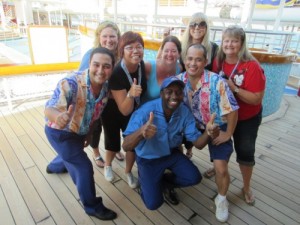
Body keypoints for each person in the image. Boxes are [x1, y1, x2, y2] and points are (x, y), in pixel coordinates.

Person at [122, 77, 220, 210]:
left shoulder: (184, 111)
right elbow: (126, 146)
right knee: (153, 204)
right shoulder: (146, 111)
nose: (174, 96)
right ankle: (146, 186)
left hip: (170, 153)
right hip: (148, 158)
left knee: (194, 177)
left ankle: (163, 184)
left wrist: (208, 133)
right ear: (161, 93)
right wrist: (141, 132)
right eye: (169, 91)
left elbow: (198, 144)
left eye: (179, 92)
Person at [45, 47, 117, 220]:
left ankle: (54, 166)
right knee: (83, 167)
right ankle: (92, 206)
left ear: (112, 68)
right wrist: (59, 117)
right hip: (60, 133)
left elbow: (94, 114)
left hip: (79, 132)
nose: (101, 70)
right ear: (89, 64)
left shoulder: (106, 88)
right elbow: (49, 109)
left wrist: (89, 133)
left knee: (70, 156)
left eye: (106, 66)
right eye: (96, 65)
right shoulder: (70, 83)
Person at [177, 43, 239, 222]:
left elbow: (233, 110)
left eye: (198, 59)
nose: (193, 63)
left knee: (221, 168)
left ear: (205, 61)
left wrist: (227, 135)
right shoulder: (178, 81)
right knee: (168, 143)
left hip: (218, 126)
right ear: (184, 60)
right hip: (192, 126)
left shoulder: (216, 82)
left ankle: (221, 198)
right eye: (190, 58)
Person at [212, 25, 266, 206]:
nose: (229, 44)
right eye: (226, 40)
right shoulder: (218, 61)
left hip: (246, 118)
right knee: (221, 147)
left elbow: (256, 99)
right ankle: (219, 171)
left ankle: (246, 186)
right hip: (225, 117)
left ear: (242, 43)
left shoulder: (252, 66)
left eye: (234, 41)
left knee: (245, 152)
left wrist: (233, 88)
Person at [101, 31, 147, 188]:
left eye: (139, 46)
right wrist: (131, 94)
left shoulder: (142, 66)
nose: (135, 50)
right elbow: (124, 110)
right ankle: (107, 165)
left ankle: (128, 171)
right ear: (122, 51)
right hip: (114, 111)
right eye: (130, 47)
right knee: (112, 142)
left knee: (131, 143)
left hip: (133, 110)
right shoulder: (117, 72)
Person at [78, 21, 124, 168]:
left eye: (112, 36)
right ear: (99, 37)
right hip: (95, 98)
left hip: (113, 99)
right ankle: (96, 152)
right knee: (95, 127)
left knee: (113, 126)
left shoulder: (120, 55)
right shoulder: (92, 54)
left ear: (118, 37)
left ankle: (114, 148)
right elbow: (82, 77)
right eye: (105, 36)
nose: (109, 40)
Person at [180, 12, 219, 158]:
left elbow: (216, 72)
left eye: (201, 24)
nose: (197, 27)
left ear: (207, 27)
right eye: (193, 24)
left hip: (205, 94)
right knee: (185, 123)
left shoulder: (213, 48)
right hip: (186, 91)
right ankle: (185, 151)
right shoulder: (182, 46)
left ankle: (216, 162)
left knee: (206, 128)